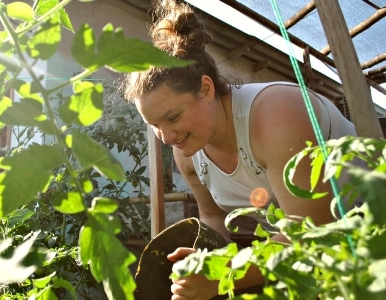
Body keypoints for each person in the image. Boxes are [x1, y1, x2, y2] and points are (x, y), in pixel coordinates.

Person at [123, 0, 357, 299]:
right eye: (154, 125)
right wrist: (200, 261)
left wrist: (223, 276)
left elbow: (313, 235)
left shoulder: (277, 116)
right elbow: (212, 219)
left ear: (205, 89)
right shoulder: (187, 150)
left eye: (172, 117)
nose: (165, 137)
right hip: (301, 265)